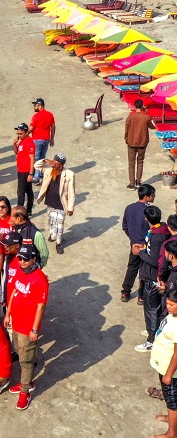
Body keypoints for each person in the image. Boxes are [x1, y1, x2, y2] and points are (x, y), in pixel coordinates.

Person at [4, 244, 49, 411]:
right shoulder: (21, 272)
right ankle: (27, 382)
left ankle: (25, 391)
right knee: (18, 350)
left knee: (26, 360)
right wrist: (8, 313)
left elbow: (41, 306)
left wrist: (35, 329)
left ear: (34, 260)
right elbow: (14, 293)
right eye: (19, 258)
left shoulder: (40, 279)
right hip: (16, 321)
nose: (21, 261)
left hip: (27, 326)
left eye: (25, 259)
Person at [135, 205, 169, 352]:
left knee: (151, 309)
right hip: (155, 276)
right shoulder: (161, 230)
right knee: (156, 308)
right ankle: (152, 329)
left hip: (151, 277)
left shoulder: (157, 236)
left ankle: (151, 339)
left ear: (147, 219)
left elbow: (154, 260)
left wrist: (139, 253)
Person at [34, 154, 75, 254]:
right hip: (50, 200)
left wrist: (70, 208)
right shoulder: (48, 169)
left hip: (61, 203)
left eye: (57, 164)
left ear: (61, 166)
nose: (54, 165)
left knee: (60, 223)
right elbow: (36, 166)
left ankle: (59, 243)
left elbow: (71, 192)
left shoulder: (69, 174)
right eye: (54, 162)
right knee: (51, 220)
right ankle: (53, 235)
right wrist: (46, 160)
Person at [123, 184, 157, 303]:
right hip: (146, 246)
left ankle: (125, 292)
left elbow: (125, 226)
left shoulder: (129, 208)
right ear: (147, 197)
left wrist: (133, 239)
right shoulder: (149, 211)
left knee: (132, 268)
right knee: (144, 271)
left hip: (134, 245)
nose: (154, 197)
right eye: (152, 195)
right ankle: (141, 296)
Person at [151, 291, 177, 438]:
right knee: (169, 396)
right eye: (167, 303)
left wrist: (168, 374)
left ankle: (172, 433)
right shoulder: (173, 315)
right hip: (163, 365)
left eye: (172, 305)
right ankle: (172, 419)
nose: (168, 307)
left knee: (173, 399)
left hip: (170, 370)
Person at [125, 98, 156, 190]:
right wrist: (148, 115)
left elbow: (126, 129)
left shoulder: (130, 117)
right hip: (143, 142)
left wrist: (126, 138)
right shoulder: (145, 117)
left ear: (134, 106)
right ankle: (138, 182)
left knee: (131, 163)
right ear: (142, 106)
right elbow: (152, 126)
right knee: (140, 162)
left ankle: (131, 183)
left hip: (131, 142)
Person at [28, 98, 56, 185]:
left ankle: (36, 177)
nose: (34, 107)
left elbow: (31, 128)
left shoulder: (36, 116)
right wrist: (52, 138)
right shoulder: (50, 115)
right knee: (42, 157)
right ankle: (40, 174)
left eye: (35, 105)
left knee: (36, 159)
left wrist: (25, 135)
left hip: (37, 139)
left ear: (40, 106)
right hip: (46, 139)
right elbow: (53, 127)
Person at [13, 123, 36, 214]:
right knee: (28, 190)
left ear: (26, 132)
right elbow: (17, 152)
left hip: (25, 171)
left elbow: (32, 159)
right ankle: (28, 210)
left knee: (21, 192)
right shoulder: (22, 141)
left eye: (21, 133)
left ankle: (20, 212)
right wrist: (14, 144)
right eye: (18, 133)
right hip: (21, 170)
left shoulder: (30, 143)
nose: (19, 135)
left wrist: (31, 173)